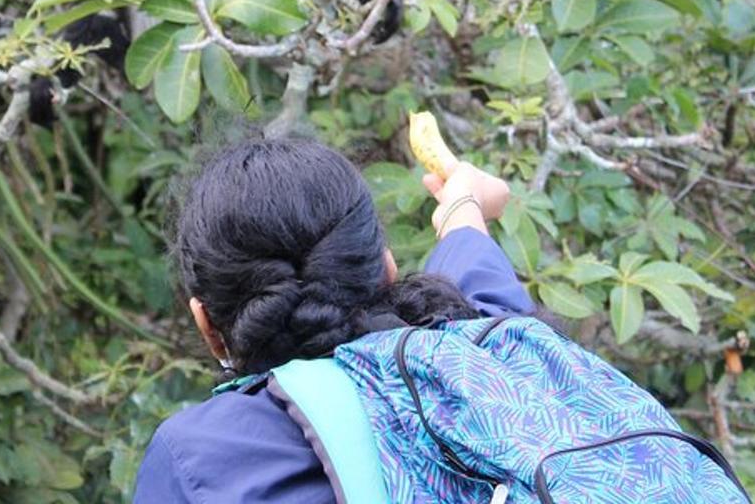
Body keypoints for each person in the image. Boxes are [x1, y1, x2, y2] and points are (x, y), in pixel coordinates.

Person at [133, 136, 532, 502]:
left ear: (208, 326)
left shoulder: (194, 457)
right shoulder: (494, 364)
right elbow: (485, 292)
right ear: (388, 270)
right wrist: (464, 205)